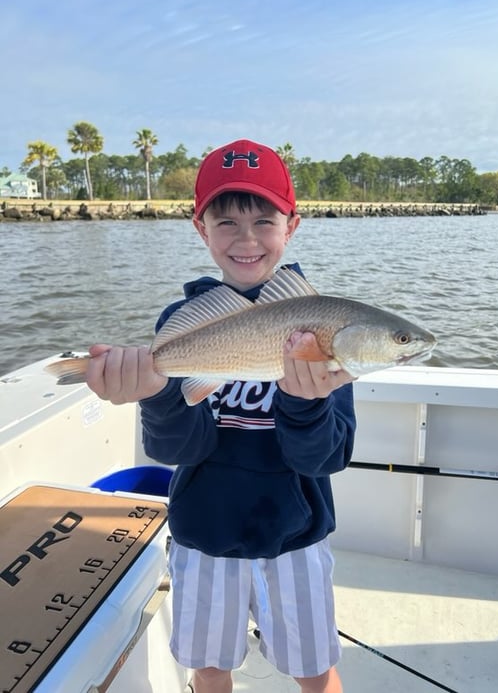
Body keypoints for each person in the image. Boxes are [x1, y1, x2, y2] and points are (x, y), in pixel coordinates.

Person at [86, 139, 357, 693]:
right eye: (227, 221)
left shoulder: (323, 326)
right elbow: (177, 451)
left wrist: (305, 404)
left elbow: (326, 458)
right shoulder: (183, 322)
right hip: (203, 533)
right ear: (200, 227)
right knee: (209, 670)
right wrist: (157, 392)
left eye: (264, 219)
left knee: (316, 670)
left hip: (296, 534)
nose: (248, 238)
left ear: (292, 225)